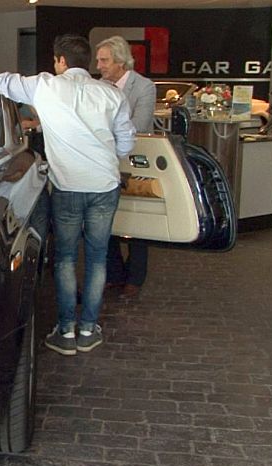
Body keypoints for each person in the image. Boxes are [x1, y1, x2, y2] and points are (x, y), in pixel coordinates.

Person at [0, 34, 135, 356]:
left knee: (66, 258)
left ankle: (66, 331)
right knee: (97, 257)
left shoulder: (45, 86)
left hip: (68, 187)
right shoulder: (111, 93)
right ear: (87, 62)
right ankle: (89, 329)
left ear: (60, 61)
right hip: (104, 185)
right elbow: (126, 142)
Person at [95, 36, 156, 299]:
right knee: (107, 220)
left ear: (120, 61)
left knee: (136, 220)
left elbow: (139, 126)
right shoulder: (97, 87)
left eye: (104, 60)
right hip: (105, 163)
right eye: (98, 60)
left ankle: (135, 278)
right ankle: (114, 275)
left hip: (136, 161)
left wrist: (101, 133)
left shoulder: (144, 86)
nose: (99, 66)